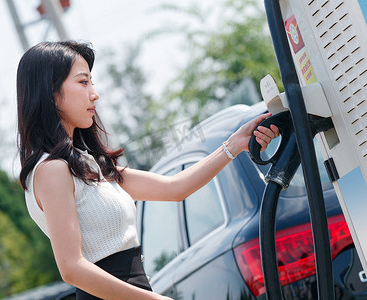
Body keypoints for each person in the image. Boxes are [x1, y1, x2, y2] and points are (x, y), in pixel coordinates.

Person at [16, 40, 279, 300]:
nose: (94, 93)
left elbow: (174, 188)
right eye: (83, 82)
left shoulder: (86, 162)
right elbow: (72, 268)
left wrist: (234, 144)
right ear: (50, 92)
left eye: (91, 82)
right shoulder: (52, 170)